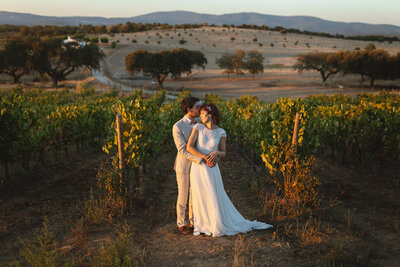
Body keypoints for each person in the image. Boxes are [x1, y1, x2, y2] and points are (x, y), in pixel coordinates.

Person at [187, 103, 273, 237]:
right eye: (201, 113)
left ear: (210, 115)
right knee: (200, 194)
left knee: (214, 194)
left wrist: (215, 154)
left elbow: (224, 152)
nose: (201, 116)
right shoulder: (198, 128)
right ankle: (203, 225)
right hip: (199, 167)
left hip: (212, 168)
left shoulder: (221, 132)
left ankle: (215, 222)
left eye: (203, 113)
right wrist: (205, 157)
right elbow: (189, 147)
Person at [172, 97, 215, 235]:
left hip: (198, 167)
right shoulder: (177, 126)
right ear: (189, 109)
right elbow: (182, 150)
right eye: (197, 107)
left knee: (195, 195)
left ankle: (193, 221)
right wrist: (200, 159)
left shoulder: (199, 122)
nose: (200, 109)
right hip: (184, 166)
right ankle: (181, 224)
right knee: (183, 195)